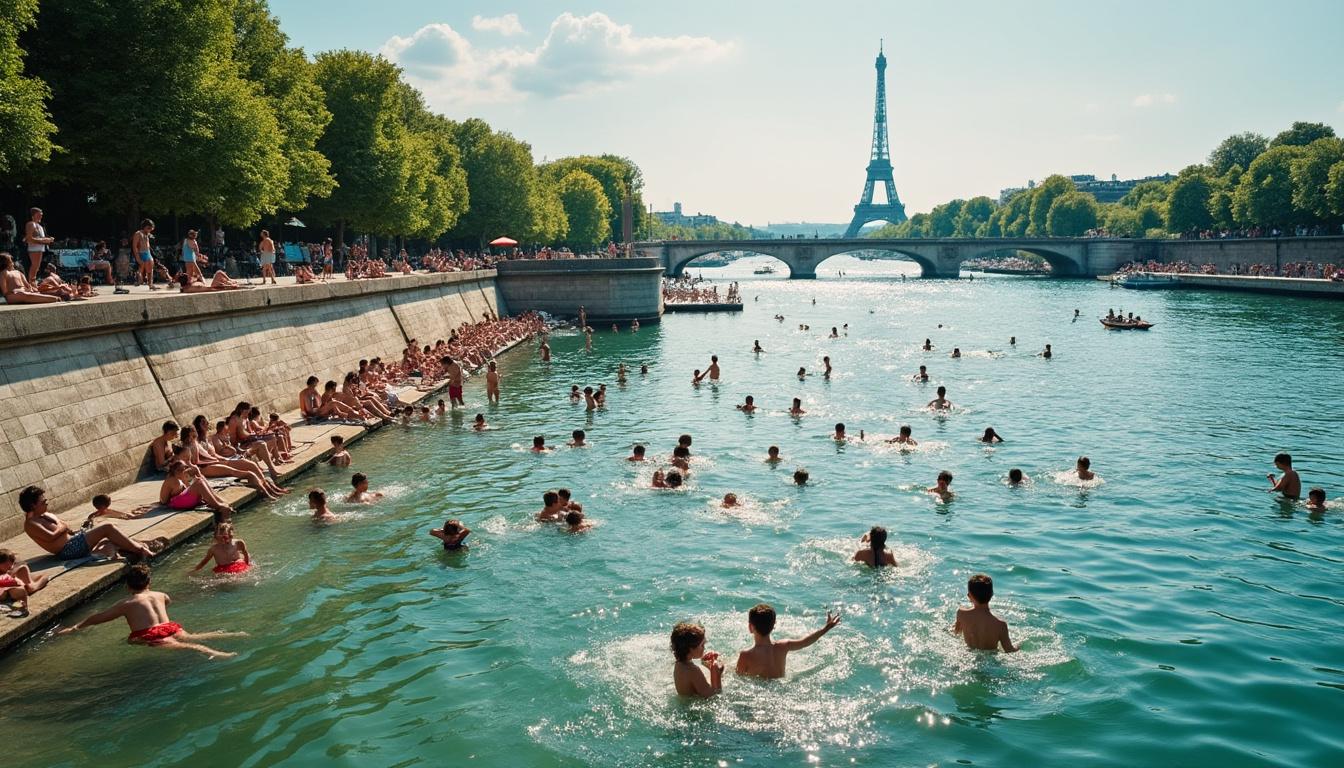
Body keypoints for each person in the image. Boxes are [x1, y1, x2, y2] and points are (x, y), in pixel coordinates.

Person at [56, 564, 246, 659]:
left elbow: (99, 618)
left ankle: (220, 654)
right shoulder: (160, 594)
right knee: (194, 637)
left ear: (128, 586)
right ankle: (234, 634)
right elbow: (168, 601)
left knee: (189, 647)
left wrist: (76, 627)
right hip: (170, 626)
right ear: (149, 583)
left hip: (149, 635)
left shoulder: (127, 603)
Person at [735, 603, 842, 679]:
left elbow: (738, 678)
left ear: (750, 627)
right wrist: (825, 628)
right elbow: (806, 642)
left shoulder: (746, 655)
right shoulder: (783, 646)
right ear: (773, 626)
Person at [953, 574, 1017, 652]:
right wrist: (1019, 646)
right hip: (991, 662)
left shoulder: (961, 614)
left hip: (969, 654)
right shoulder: (1000, 625)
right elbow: (1009, 650)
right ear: (992, 594)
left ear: (969, 596)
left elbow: (956, 632)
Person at [671, 622, 723, 698]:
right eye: (702, 645)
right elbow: (713, 696)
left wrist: (705, 664)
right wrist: (716, 672)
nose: (704, 648)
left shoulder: (679, 664)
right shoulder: (693, 671)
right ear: (691, 649)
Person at [0, 548, 50, 617]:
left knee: (30, 588)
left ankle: (44, 577)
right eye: (5, 565)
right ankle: (35, 577)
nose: (9, 566)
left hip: (19, 570)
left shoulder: (16, 567)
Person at [23, 207, 54, 284]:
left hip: (40, 249)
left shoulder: (40, 226)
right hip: (34, 249)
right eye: (39, 215)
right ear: (34, 215)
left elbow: (40, 238)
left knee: (36, 267)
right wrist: (44, 240)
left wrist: (48, 240)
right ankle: (31, 283)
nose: (41, 216)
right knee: (34, 266)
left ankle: (33, 283)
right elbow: (29, 239)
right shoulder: (31, 224)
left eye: (41, 215)